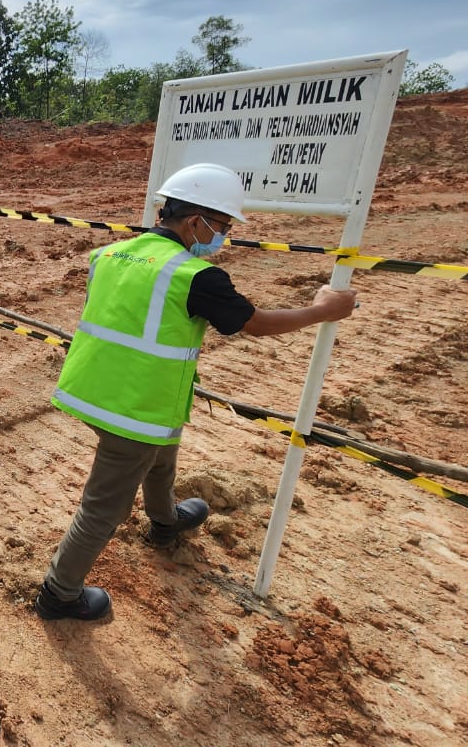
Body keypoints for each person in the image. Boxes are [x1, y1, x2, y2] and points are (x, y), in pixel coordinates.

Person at [33, 163, 360, 622]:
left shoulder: (111, 253)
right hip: (134, 404)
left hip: (91, 388)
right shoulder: (196, 276)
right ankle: (58, 593)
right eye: (222, 227)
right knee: (104, 505)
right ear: (194, 222)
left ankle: (166, 521)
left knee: (161, 452)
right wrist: (322, 310)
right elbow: (255, 324)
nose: (222, 237)